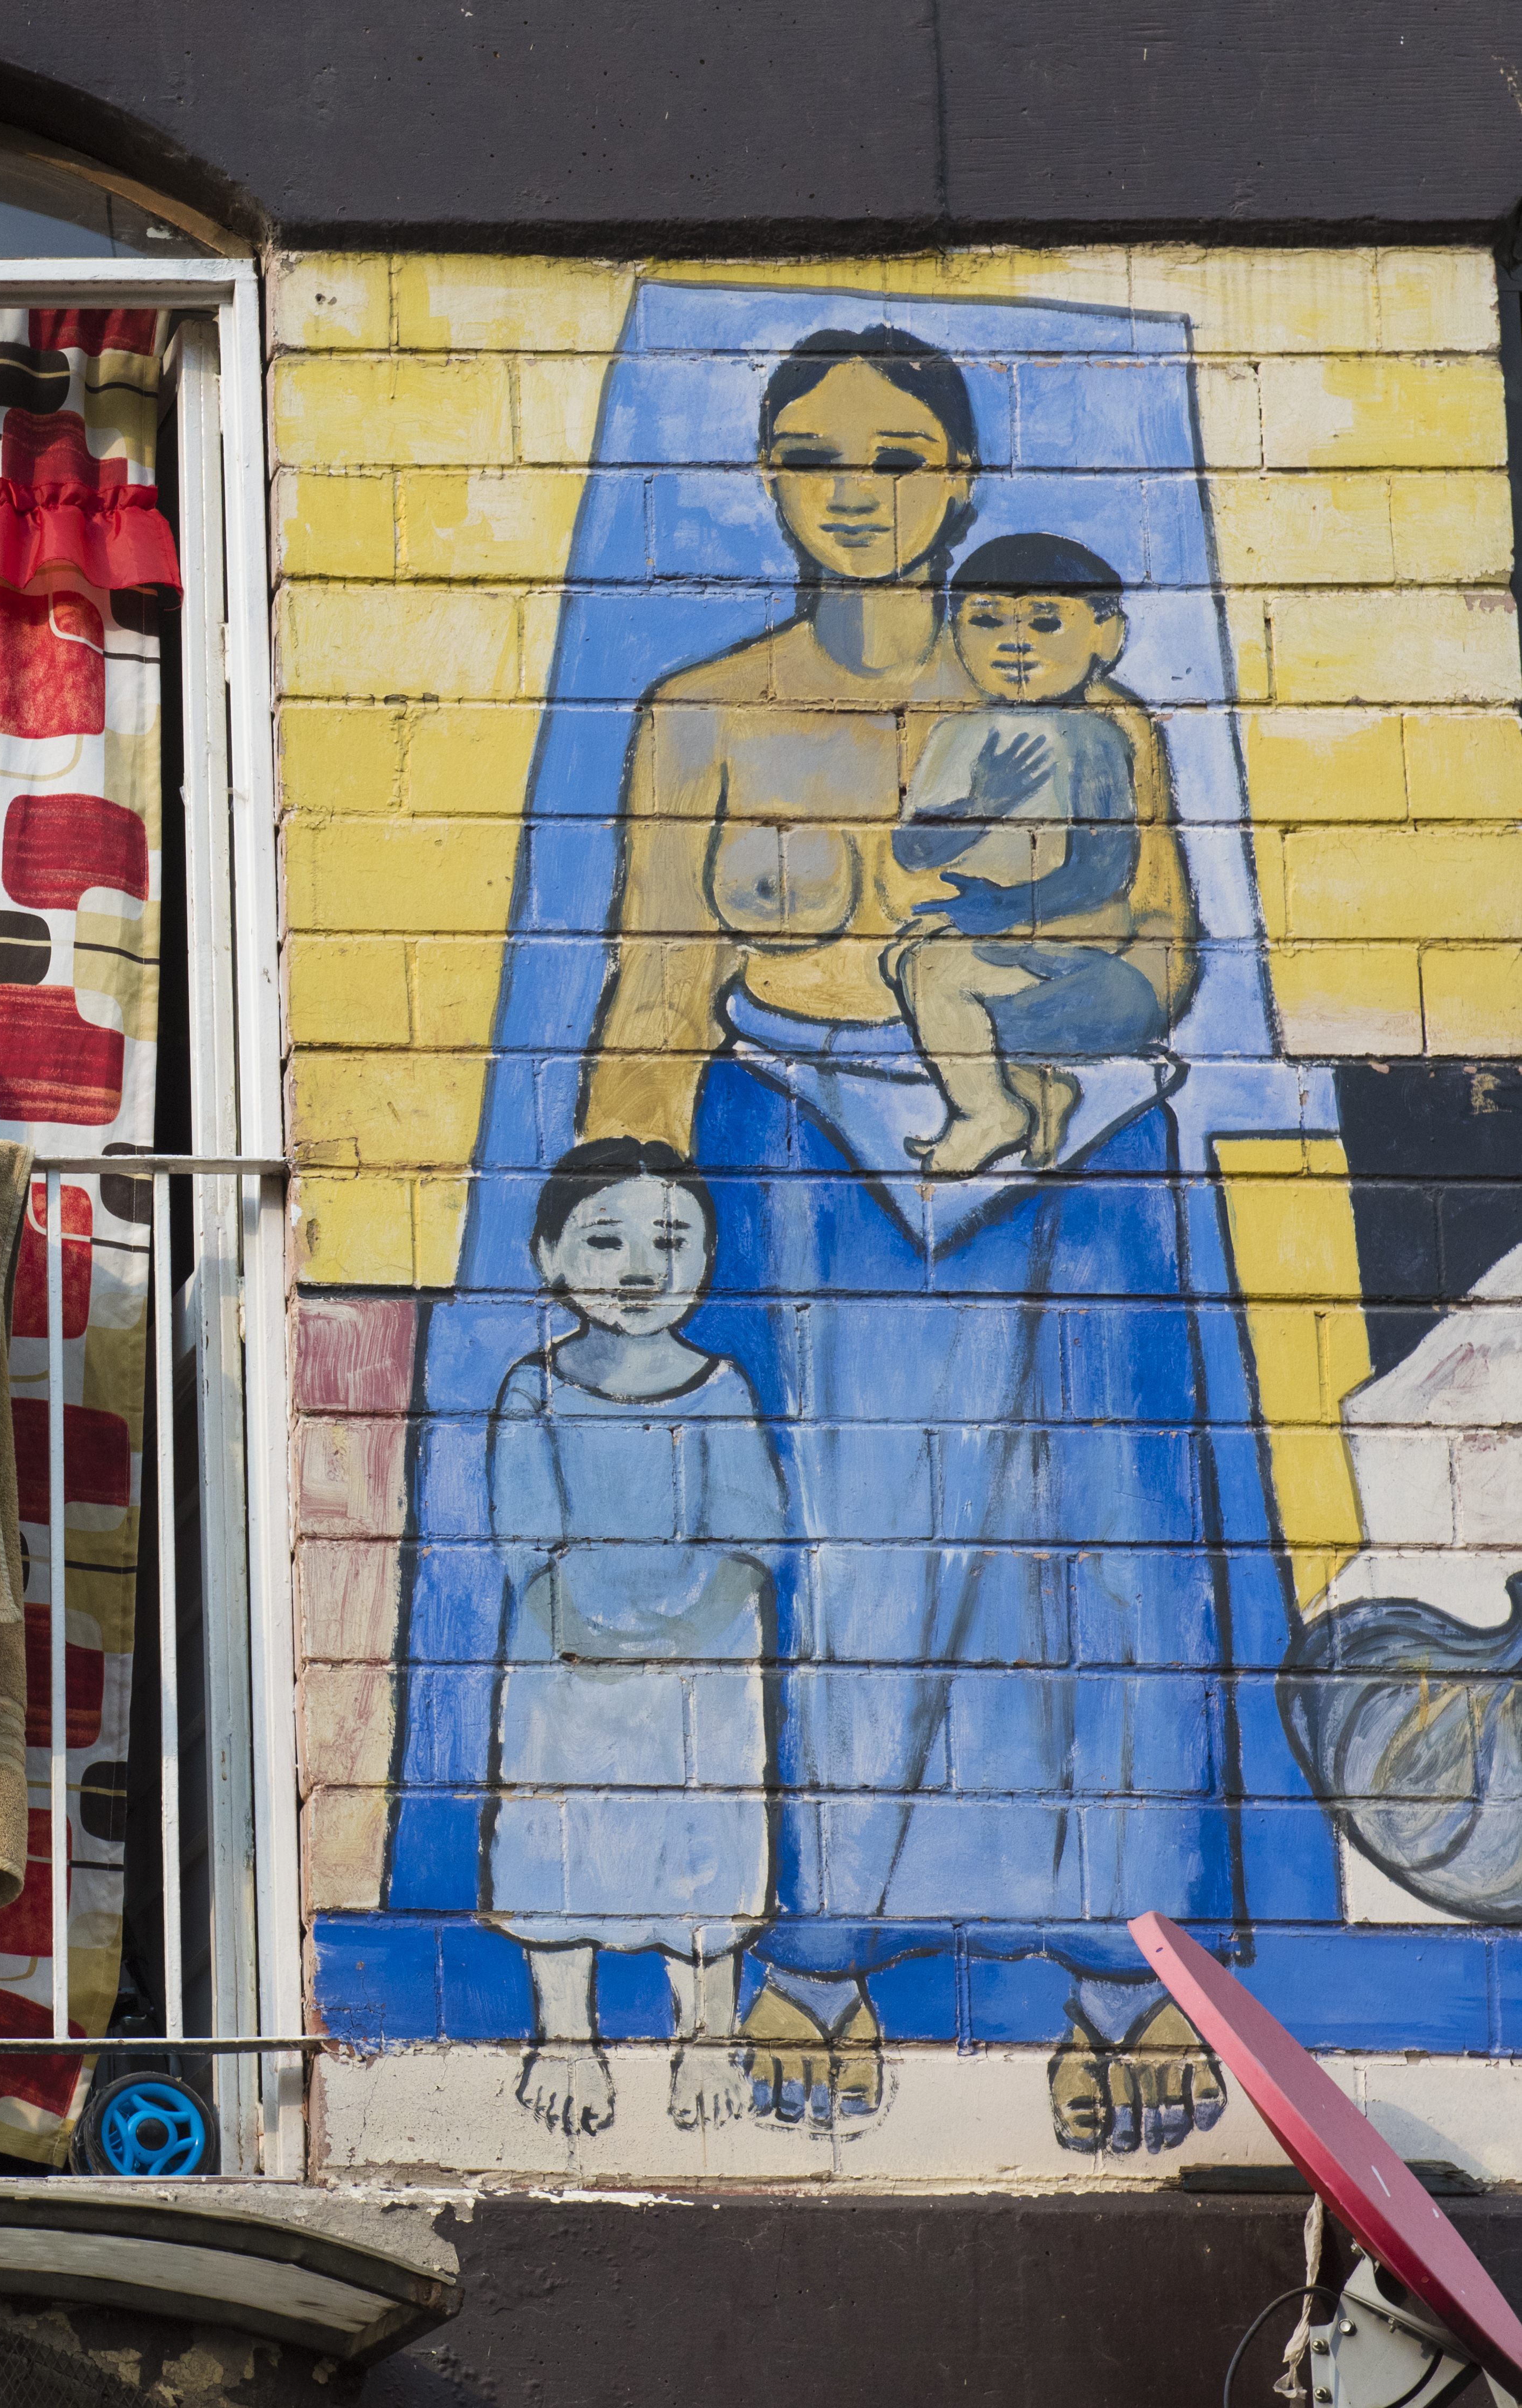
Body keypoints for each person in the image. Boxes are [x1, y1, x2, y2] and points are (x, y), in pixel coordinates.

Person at [576, 322, 1236, 2151]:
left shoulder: (1088, 715)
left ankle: (1133, 1975)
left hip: (1065, 1165)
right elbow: (654, 985)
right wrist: (616, 1231)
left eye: (893, 455)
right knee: (844, 1561)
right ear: (769, 480)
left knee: (1100, 1567)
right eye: (812, 453)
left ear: (959, 481)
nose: (854, 487)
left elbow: (1166, 954)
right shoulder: (701, 711)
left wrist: (1014, 1019)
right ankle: (824, 1950)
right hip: (798, 1154)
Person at [483, 1139, 783, 2140]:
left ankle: (706, 2035)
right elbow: (527, 1540)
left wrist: (683, 1633)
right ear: (547, 1256)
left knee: (705, 1843)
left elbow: (750, 1539)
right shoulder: (535, 1390)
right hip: (567, 1674)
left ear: (707, 1258)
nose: (642, 1270)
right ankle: (565, 2034)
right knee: (556, 1842)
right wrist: (587, 1632)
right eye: (606, 1241)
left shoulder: (722, 1387)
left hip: (701, 1678)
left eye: (671, 1241)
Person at [884, 533, 1169, 1177]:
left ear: (1106, 636)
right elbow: (915, 849)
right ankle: (1031, 1091)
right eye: (987, 621)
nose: (1015, 643)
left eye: (1046, 622)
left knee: (936, 975)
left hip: (1088, 973)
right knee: (907, 960)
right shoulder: (956, 735)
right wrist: (980, 803)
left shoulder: (1094, 738)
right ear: (956, 631)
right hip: (1004, 954)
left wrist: (1009, 907)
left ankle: (991, 1113)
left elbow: (1103, 868)